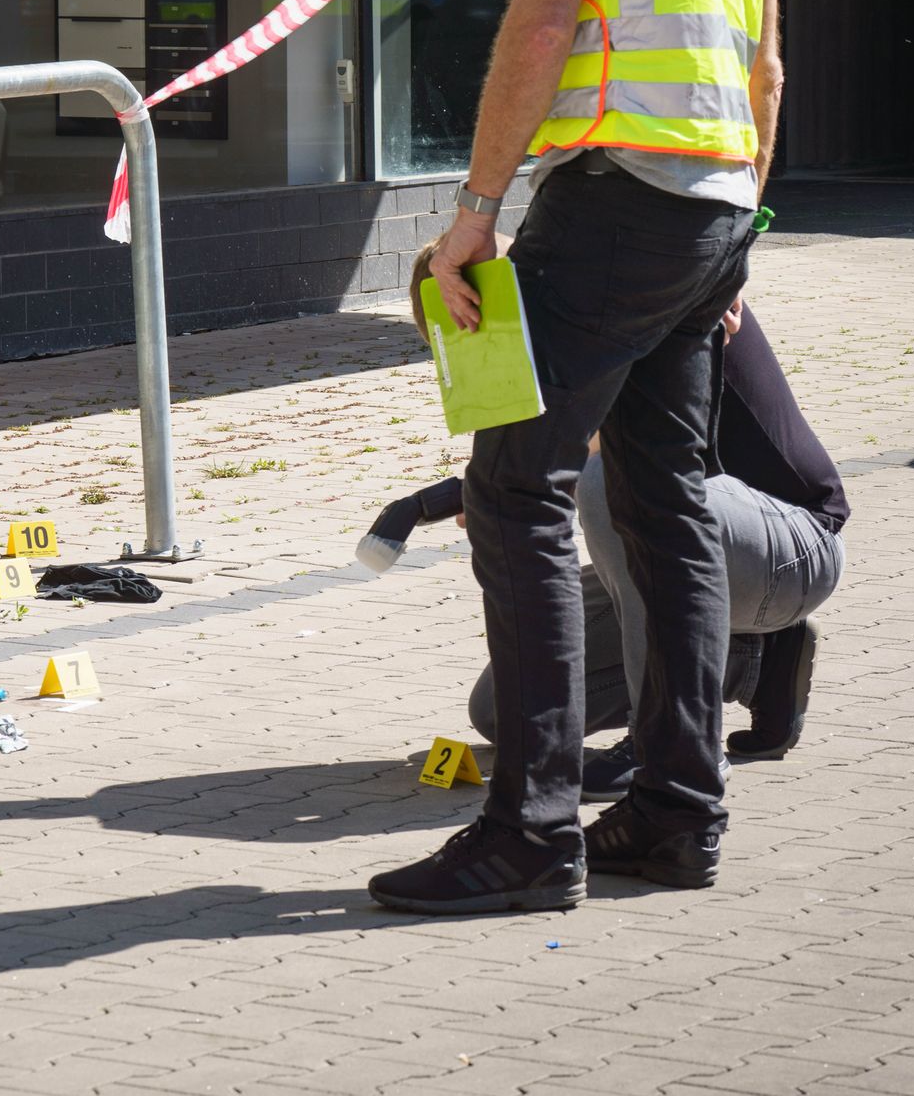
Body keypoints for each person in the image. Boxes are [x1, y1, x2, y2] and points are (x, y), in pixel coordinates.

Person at [368, 0, 787, 915]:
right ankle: (675, 812)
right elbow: (764, 68)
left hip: (611, 199)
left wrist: (474, 211)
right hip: (711, 203)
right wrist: (739, 232)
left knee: (514, 490)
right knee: (665, 503)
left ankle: (531, 831)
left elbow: (542, 18)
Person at [361, 248, 847, 781]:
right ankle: (757, 664)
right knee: (505, 711)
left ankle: (668, 740)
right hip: (705, 560)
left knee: (613, 479)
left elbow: (588, 452)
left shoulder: (628, 304)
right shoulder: (554, 342)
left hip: (795, 548)